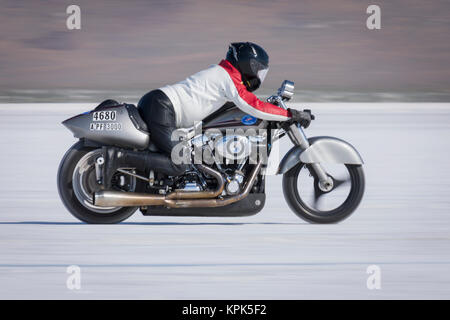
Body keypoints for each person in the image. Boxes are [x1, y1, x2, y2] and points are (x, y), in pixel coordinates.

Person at [108, 42, 311, 179]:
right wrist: (290, 115)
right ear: (249, 64)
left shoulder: (225, 76)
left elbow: (248, 103)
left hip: (161, 105)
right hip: (162, 107)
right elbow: (253, 105)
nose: (259, 75)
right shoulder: (227, 77)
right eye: (258, 69)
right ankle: (118, 158)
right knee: (178, 162)